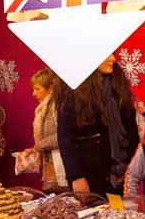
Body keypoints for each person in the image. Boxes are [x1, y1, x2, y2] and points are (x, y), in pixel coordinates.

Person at [56, 54, 139, 197]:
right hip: (88, 177)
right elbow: (65, 138)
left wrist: (129, 168)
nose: (113, 59)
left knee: (117, 217)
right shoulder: (72, 90)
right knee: (90, 217)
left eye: (113, 53)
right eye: (107, 55)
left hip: (118, 174)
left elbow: (131, 131)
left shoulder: (118, 84)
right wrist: (75, 176)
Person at [26, 68, 68, 193]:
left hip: (62, 164)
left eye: (38, 89)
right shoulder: (43, 109)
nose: (34, 93)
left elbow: (64, 134)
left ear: (50, 88)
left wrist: (42, 144)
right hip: (50, 164)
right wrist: (35, 149)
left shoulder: (56, 107)